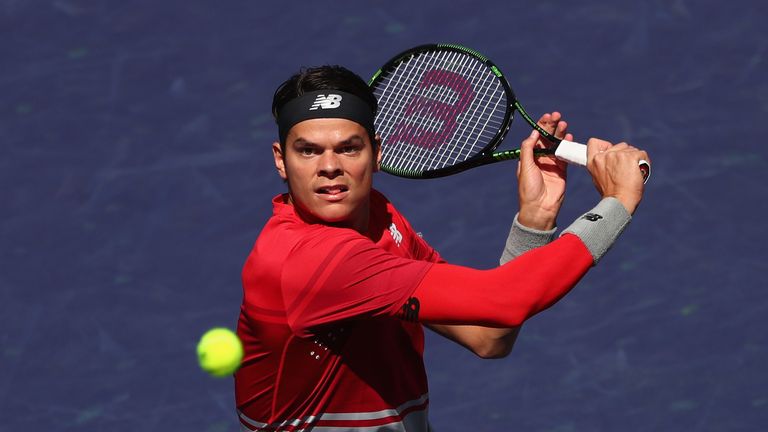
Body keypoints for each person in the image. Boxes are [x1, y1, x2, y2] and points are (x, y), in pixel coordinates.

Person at [234, 65, 649, 431]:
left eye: (348, 147)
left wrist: (535, 219)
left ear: (377, 153)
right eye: (308, 150)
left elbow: (490, 337)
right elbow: (506, 302)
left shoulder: (381, 219)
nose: (328, 166)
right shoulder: (309, 261)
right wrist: (617, 202)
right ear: (281, 160)